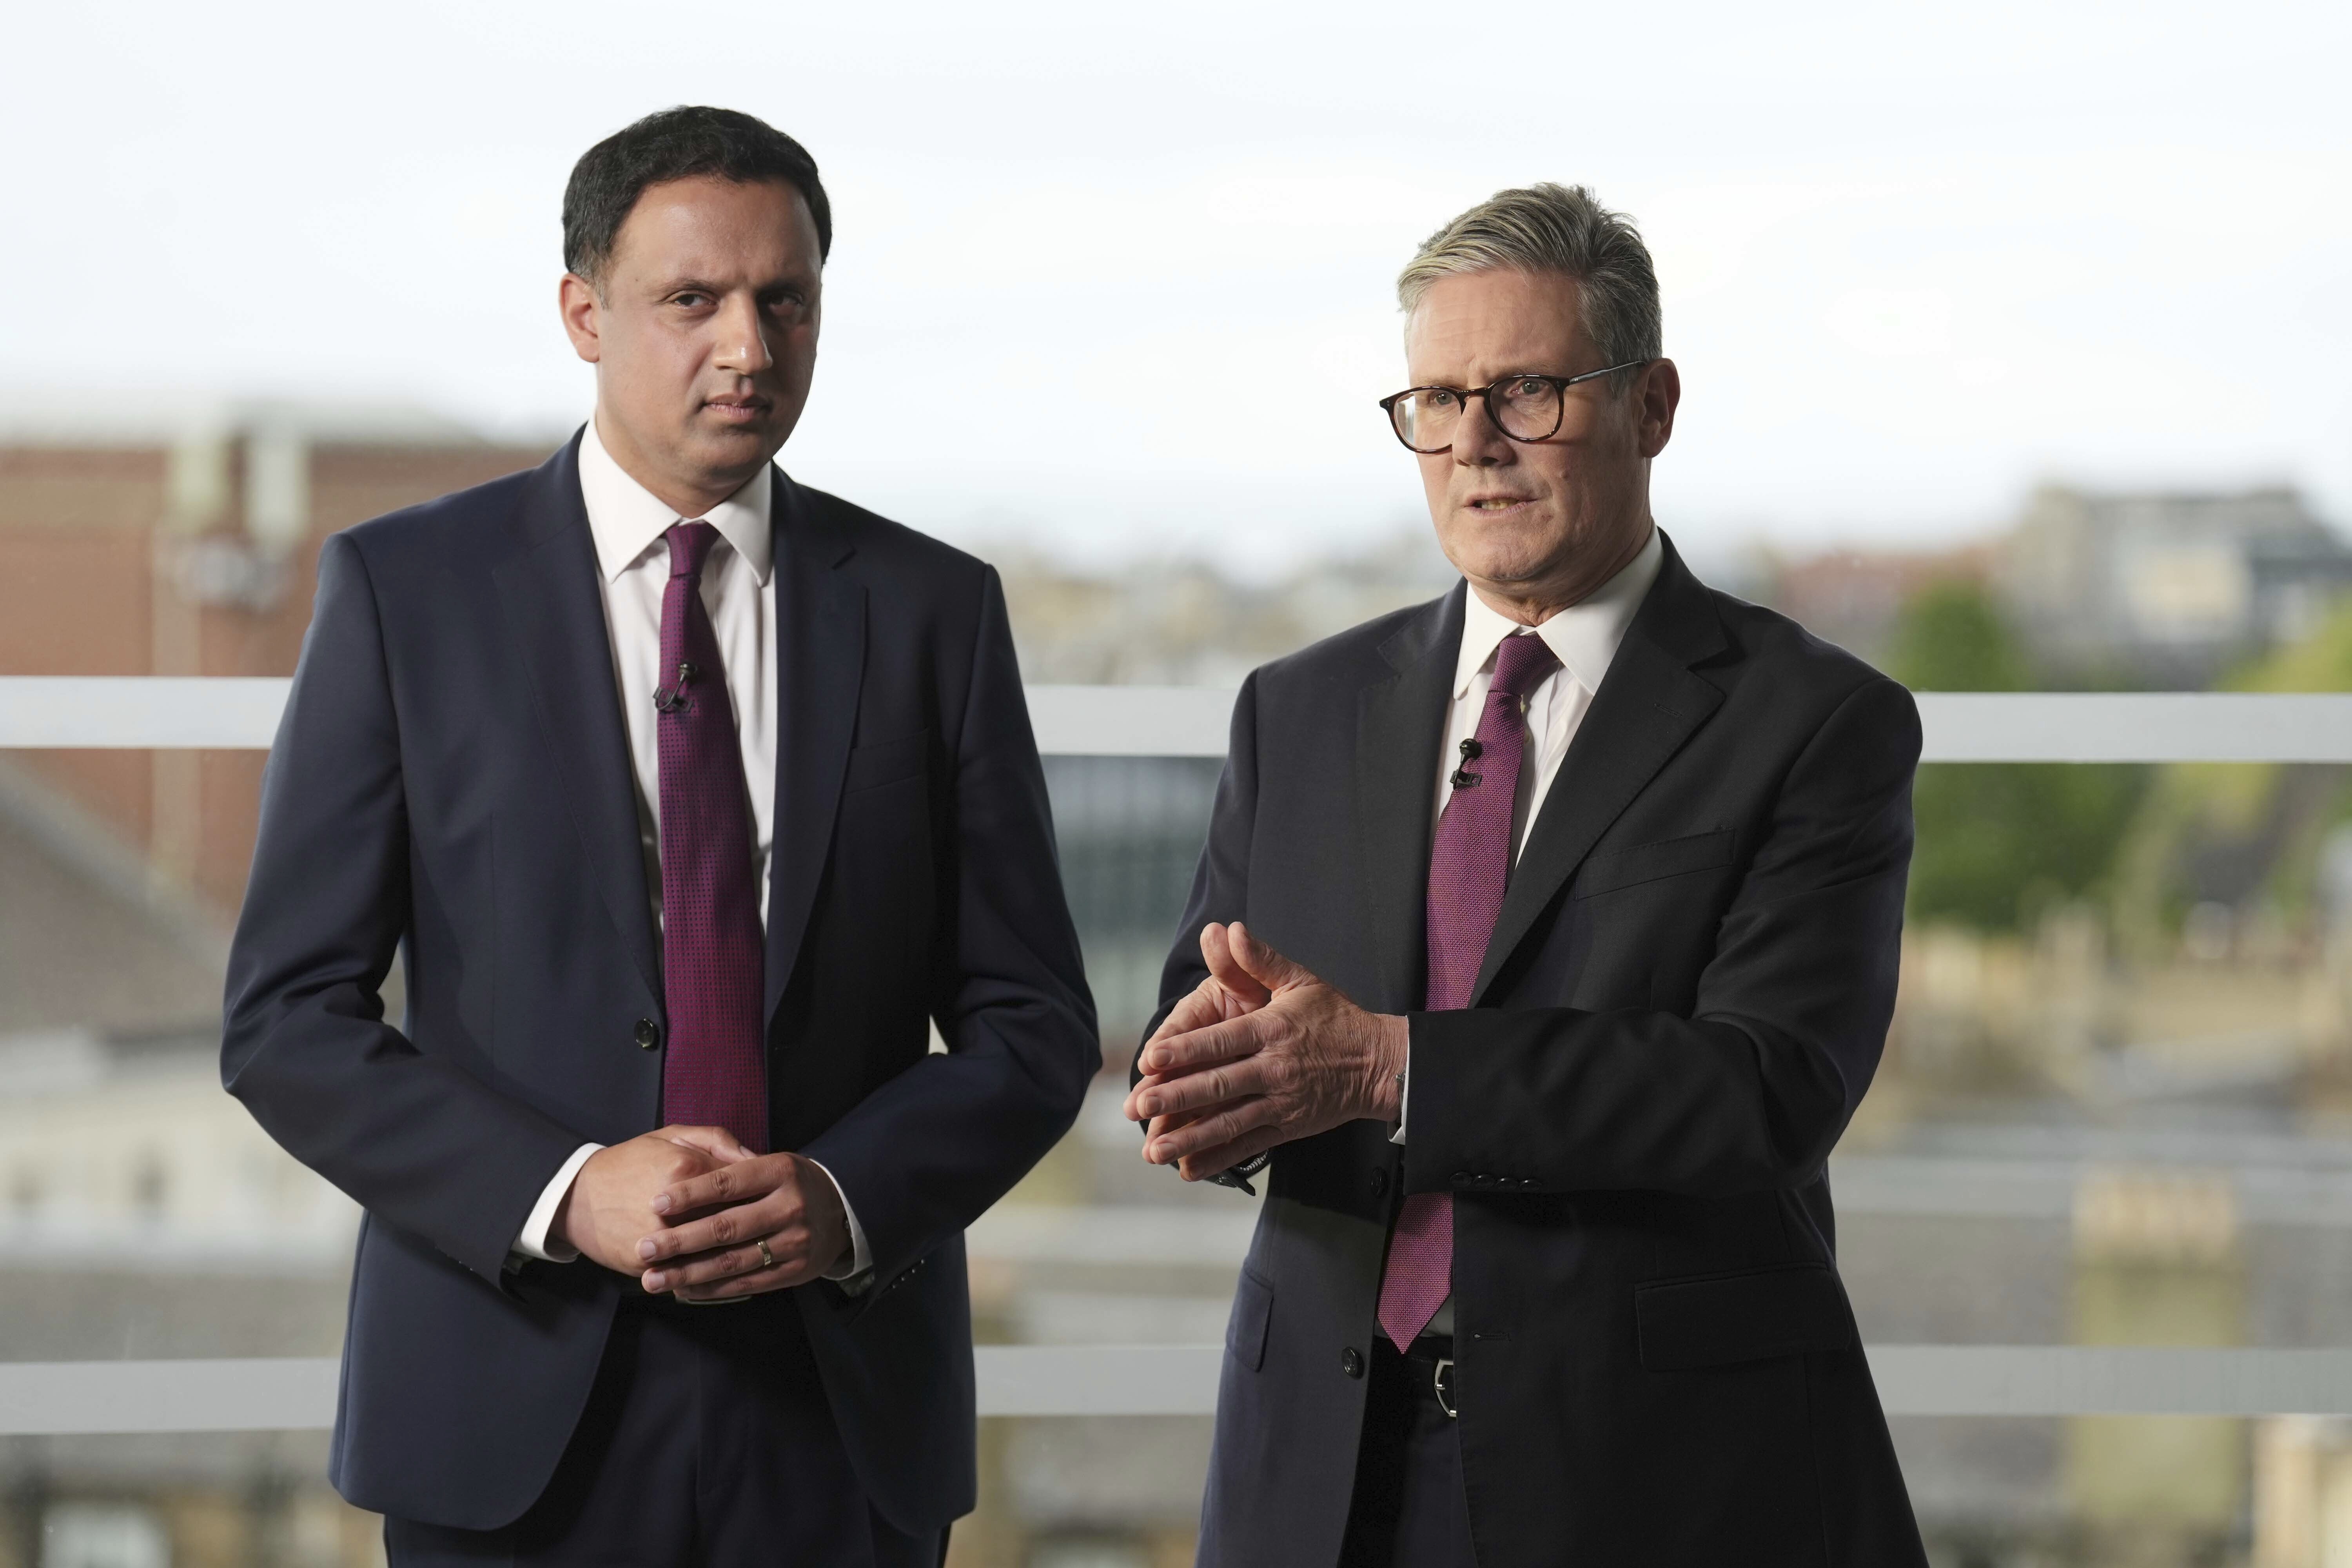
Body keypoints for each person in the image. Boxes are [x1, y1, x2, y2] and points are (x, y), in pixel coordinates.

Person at [222, 105, 1098, 1566]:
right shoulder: (405, 594)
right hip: (505, 1402)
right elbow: (286, 1023)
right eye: (692, 300)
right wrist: (564, 1194)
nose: (748, 347)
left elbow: (1033, 1024)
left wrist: (839, 1198)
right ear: (583, 312)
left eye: (786, 300)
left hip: (840, 1408)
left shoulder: (937, 614)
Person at [1126, 183, 1927, 1567]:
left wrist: (1392, 1069)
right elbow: (1204, 1013)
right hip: (1317, 1474)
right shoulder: (1298, 709)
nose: (1476, 446)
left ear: (1653, 405)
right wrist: (1201, 1078)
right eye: (1437, 401)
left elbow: (1765, 1092)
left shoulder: (1813, 722)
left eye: (1529, 392)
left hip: (1654, 1479)